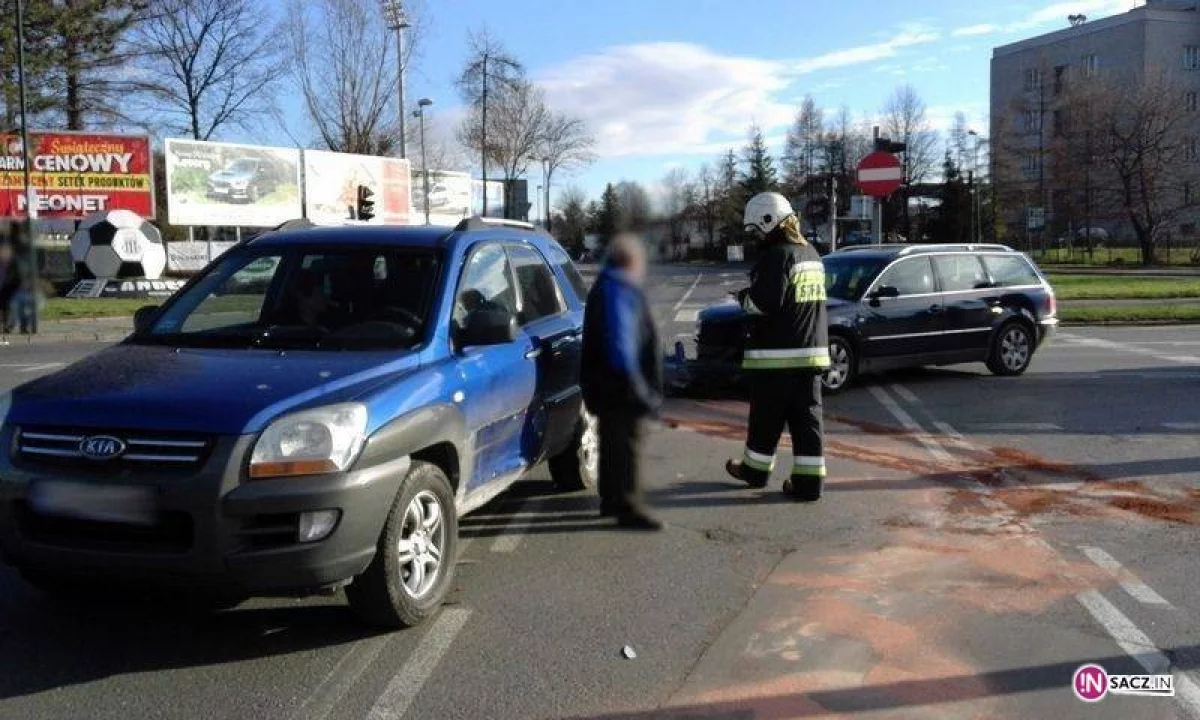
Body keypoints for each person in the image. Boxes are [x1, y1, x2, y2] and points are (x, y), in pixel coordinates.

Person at [724, 192, 830, 502]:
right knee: (807, 420)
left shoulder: (777, 255)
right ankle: (809, 484)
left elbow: (764, 303)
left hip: (777, 357)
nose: (755, 236)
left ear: (769, 222)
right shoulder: (810, 253)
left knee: (765, 419)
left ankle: (755, 471)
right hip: (811, 355)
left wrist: (743, 298)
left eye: (756, 229)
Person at [581, 233, 664, 531]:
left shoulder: (607, 285)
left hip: (604, 383)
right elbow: (621, 344)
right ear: (630, 261)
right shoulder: (618, 289)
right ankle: (626, 507)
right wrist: (640, 389)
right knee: (626, 446)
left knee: (613, 443)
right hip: (619, 384)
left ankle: (611, 500)